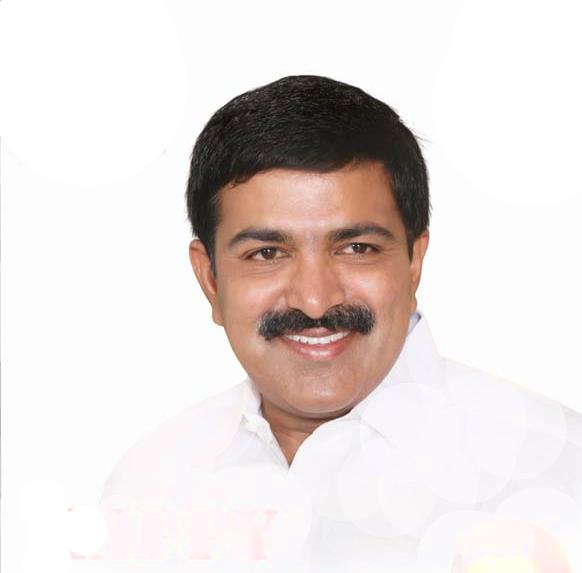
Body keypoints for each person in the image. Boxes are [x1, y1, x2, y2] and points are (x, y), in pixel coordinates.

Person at [99, 76, 582, 572]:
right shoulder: (149, 487)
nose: (314, 300)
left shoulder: (560, 472)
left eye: (356, 248)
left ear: (414, 262)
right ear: (210, 279)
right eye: (267, 253)